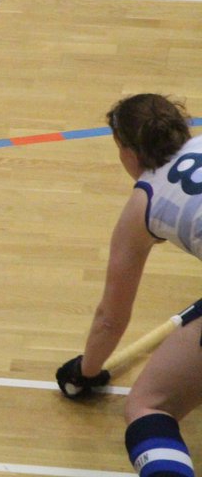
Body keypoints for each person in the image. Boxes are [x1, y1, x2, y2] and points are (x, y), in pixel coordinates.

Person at [56, 93, 201, 477]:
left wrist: (86, 371)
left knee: (149, 407)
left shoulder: (144, 204)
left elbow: (110, 319)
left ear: (127, 151)